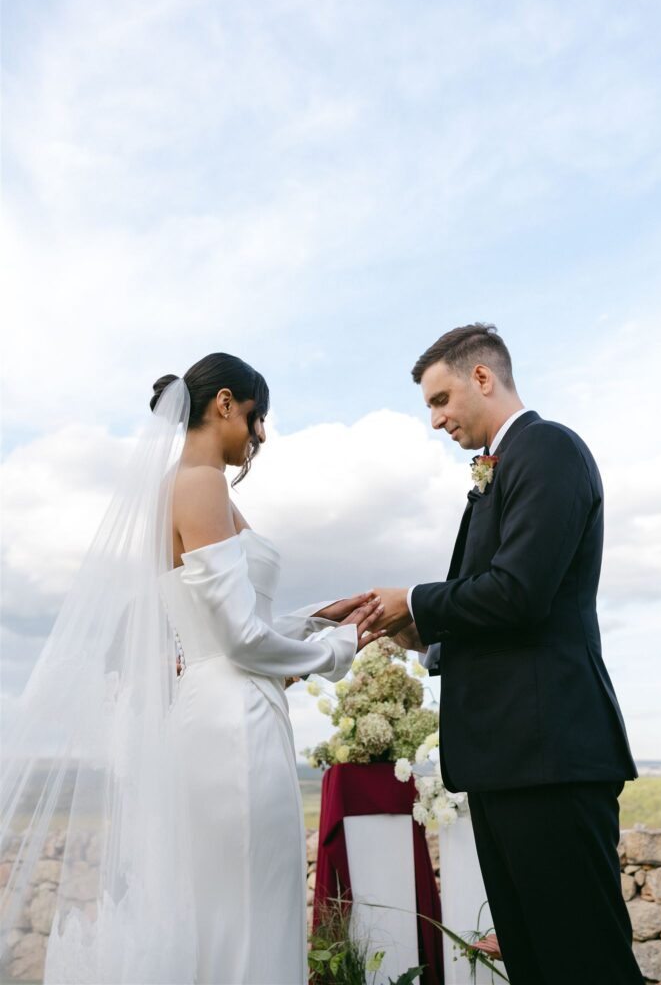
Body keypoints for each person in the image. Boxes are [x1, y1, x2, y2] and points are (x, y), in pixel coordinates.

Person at [0, 352, 384, 985]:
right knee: (247, 903)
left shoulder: (190, 485)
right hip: (233, 722)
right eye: (258, 419)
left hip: (224, 710)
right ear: (225, 402)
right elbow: (234, 638)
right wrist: (336, 650)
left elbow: (232, 618)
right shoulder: (200, 484)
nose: (260, 436)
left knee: (234, 901)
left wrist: (320, 617)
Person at [372, 324, 643, 985]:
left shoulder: (546, 449)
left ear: (482, 379)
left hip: (548, 755)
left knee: (584, 961)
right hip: (508, 759)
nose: (435, 420)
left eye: (440, 400)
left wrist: (413, 599)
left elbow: (519, 592)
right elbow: (494, 605)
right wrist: (417, 633)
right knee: (535, 962)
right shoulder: (500, 465)